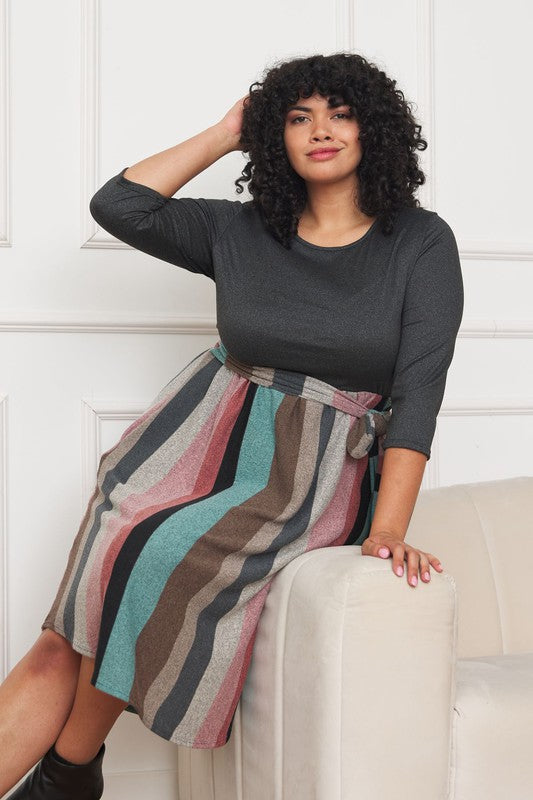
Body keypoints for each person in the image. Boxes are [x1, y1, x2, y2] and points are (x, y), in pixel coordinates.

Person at [0, 51, 463, 798]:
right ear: (274, 135)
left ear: (373, 129)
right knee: (66, 633)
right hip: (189, 443)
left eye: (340, 114)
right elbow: (120, 206)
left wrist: (387, 528)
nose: (320, 130)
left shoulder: (420, 241)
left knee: (153, 552)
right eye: (298, 117)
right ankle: (71, 776)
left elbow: (418, 395)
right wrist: (224, 133)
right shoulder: (242, 229)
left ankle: (68, 771)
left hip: (308, 473)